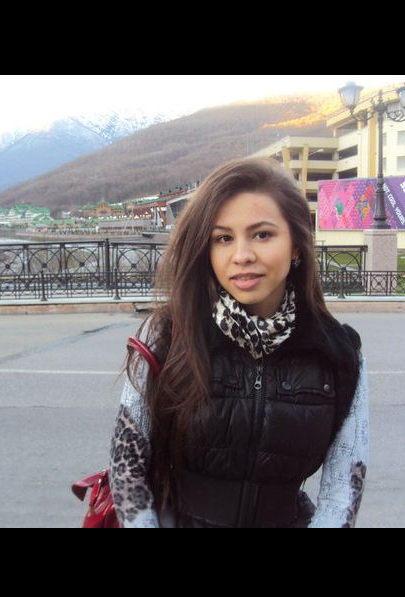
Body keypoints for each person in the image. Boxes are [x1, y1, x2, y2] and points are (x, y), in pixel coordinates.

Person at [109, 157, 368, 528]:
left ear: (296, 244)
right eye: (223, 238)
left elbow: (343, 488)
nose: (242, 256)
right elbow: (127, 468)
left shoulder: (339, 352)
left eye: (262, 235)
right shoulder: (167, 333)